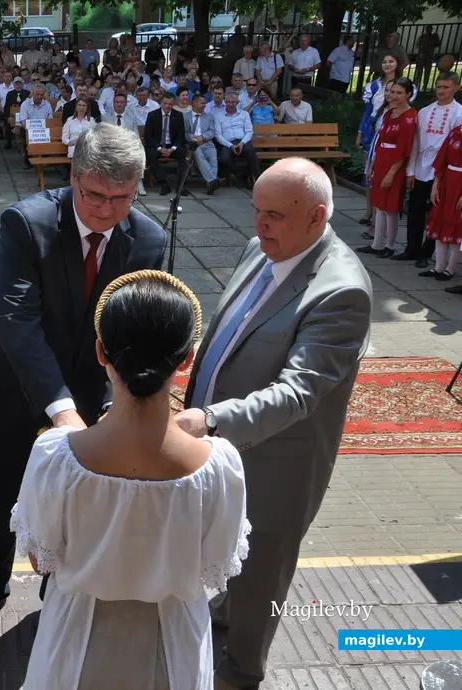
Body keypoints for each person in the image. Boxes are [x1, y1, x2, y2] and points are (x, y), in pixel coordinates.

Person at [0, 123, 168, 649]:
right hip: (12, 390)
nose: (105, 210)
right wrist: (59, 407)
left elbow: (132, 328)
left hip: (91, 396)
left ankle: (59, 594)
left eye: (121, 198)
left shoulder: (148, 239)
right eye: (94, 194)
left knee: (75, 511)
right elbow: (17, 320)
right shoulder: (26, 223)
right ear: (72, 176)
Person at [176, 158, 373, 690]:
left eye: (275, 215)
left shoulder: (340, 292)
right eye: (256, 210)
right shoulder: (262, 247)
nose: (260, 225)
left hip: (277, 465)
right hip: (225, 449)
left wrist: (211, 418)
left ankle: (243, 666)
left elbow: (298, 392)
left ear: (316, 217)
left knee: (262, 569)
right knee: (226, 552)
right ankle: (224, 614)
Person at [14, 271, 249, 689]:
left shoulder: (56, 458)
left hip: (75, 644)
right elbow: (215, 569)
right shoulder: (220, 466)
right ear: (186, 358)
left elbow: (40, 560)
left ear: (101, 351)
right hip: (173, 648)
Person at [403, 73, 462, 268]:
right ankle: (411, 248)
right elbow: (416, 143)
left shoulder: (458, 113)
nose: (441, 91)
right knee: (416, 208)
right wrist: (411, 170)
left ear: (456, 88)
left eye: (446, 87)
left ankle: (426, 252)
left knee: (435, 212)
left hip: (443, 170)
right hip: (422, 165)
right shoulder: (425, 112)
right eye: (439, 87)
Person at [359, 78, 418, 258]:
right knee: (379, 204)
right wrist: (372, 166)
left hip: (395, 163)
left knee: (390, 207)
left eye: (399, 93)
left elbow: (404, 148)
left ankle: (390, 245)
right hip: (382, 159)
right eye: (392, 92)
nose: (394, 96)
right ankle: (376, 243)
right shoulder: (388, 112)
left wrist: (391, 173)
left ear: (408, 94)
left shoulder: (409, 116)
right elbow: (380, 140)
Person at [421, 120, 462, 284]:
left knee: (456, 227)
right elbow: (442, 159)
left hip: (460, 186)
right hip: (447, 181)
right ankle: (438, 266)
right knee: (440, 222)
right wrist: (436, 185)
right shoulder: (455, 132)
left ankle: (450, 269)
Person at [144, 94, 187, 196]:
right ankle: (164, 183)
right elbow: (148, 136)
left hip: (172, 146)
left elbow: (181, 136)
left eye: (170, 104)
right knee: (150, 154)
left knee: (183, 153)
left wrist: (172, 148)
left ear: (173, 104)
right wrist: (159, 148)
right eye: (165, 103)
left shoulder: (178, 115)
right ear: (161, 103)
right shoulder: (152, 115)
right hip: (158, 145)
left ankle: (180, 186)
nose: (167, 106)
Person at [216, 92, 261, 189]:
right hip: (228, 143)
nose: (230, 104)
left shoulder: (244, 114)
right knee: (224, 158)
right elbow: (218, 135)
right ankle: (242, 175)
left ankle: (259, 180)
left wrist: (242, 143)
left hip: (243, 141)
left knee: (251, 152)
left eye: (233, 102)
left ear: (237, 103)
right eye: (228, 102)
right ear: (224, 102)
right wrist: (230, 145)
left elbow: (249, 131)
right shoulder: (218, 116)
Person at [185, 93, 219, 195]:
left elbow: (212, 131)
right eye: (202, 103)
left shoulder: (209, 117)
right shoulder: (185, 117)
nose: (205, 105)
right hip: (193, 144)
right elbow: (184, 132)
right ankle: (213, 181)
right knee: (199, 155)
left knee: (213, 158)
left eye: (205, 103)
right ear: (194, 103)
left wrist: (202, 137)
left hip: (207, 142)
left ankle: (210, 184)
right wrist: (194, 138)